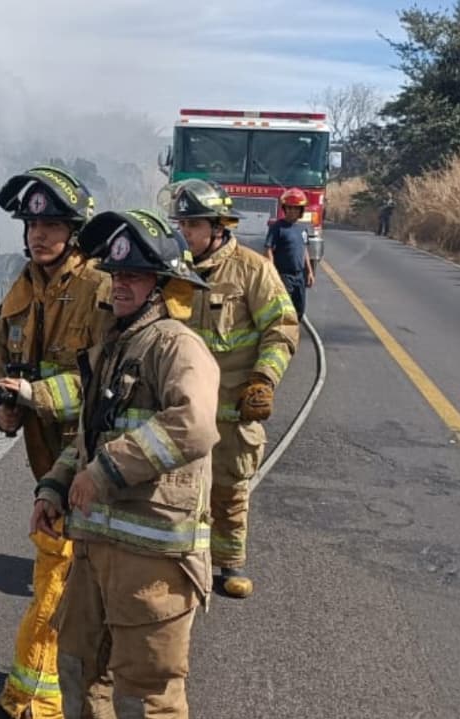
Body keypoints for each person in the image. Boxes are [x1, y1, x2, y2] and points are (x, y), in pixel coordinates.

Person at [33, 208, 219, 718]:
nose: (120, 285)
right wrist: (53, 487)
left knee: (145, 696)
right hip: (95, 549)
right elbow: (90, 439)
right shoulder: (113, 347)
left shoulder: (177, 346)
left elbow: (196, 424)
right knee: (77, 669)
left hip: (152, 563)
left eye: (134, 275)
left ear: (162, 287)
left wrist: (107, 471)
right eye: (116, 275)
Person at [0, 165, 112, 719]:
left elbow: (105, 384)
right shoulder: (24, 285)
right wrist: (6, 401)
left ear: (74, 232)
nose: (40, 234)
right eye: (33, 225)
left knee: (60, 580)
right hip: (47, 461)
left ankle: (35, 699)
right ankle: (67, 683)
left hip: (90, 458)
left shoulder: (100, 290)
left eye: (54, 224)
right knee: (69, 577)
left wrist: (36, 392)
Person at [166, 179, 299, 599]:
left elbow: (281, 328)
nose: (184, 232)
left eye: (192, 224)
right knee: (174, 487)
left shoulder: (252, 269)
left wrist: (263, 380)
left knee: (230, 489)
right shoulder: (173, 271)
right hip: (181, 407)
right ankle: (179, 556)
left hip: (231, 408)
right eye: (181, 224)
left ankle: (230, 563)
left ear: (218, 227)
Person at [265, 188, 316, 319]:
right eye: (290, 208)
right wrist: (272, 272)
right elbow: (269, 248)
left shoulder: (302, 229)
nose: (293, 211)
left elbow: (304, 249)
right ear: (285, 209)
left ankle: (294, 334)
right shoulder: (277, 227)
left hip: (300, 277)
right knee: (283, 310)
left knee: (299, 310)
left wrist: (309, 272)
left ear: (301, 211)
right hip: (284, 276)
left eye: (296, 208)